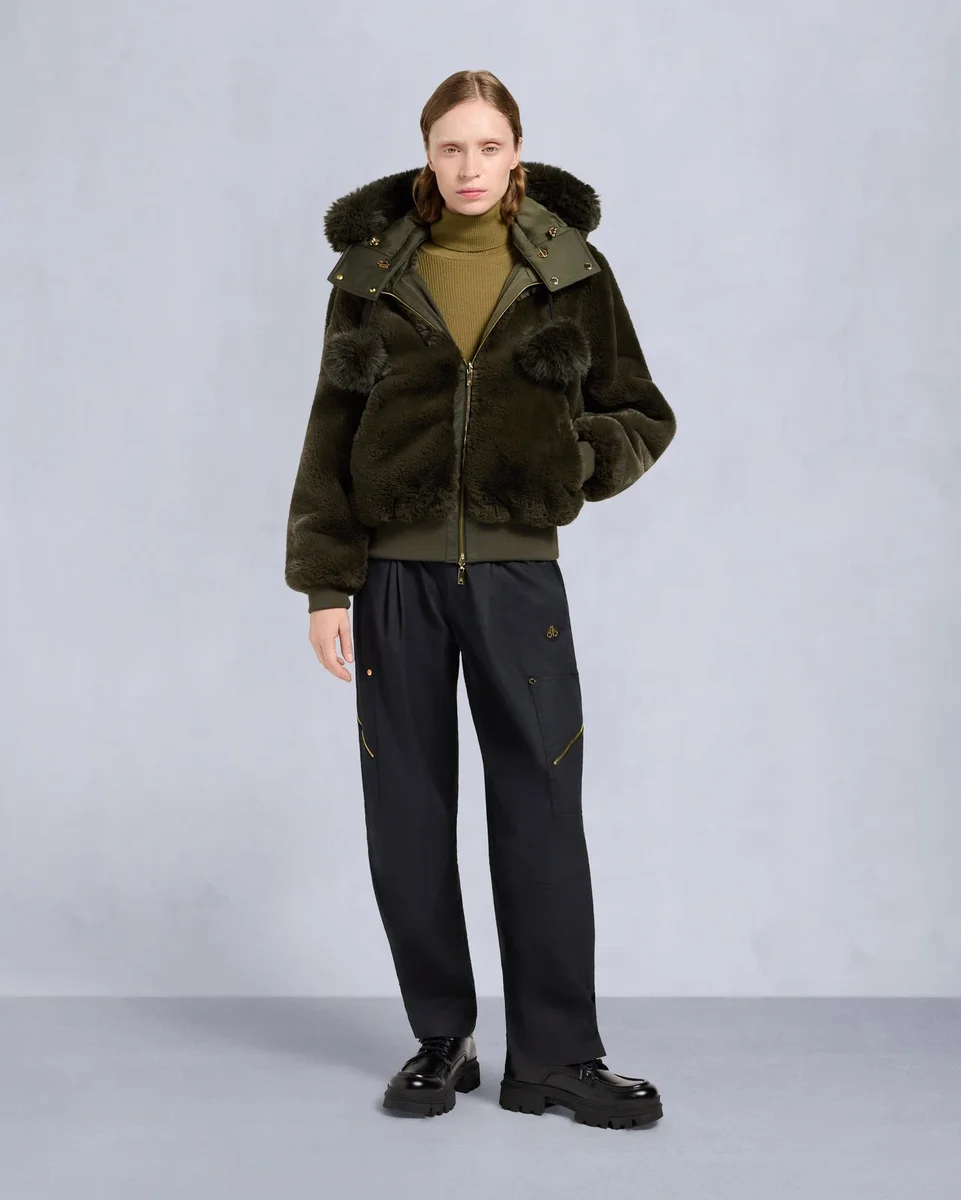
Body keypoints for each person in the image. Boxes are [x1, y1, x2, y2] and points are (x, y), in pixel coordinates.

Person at [285, 69, 677, 1130]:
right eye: (450, 147)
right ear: (428, 153)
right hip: (393, 581)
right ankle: (440, 1041)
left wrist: (570, 461)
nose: (469, 167)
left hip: (516, 580)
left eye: (488, 147)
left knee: (540, 811)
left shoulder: (567, 267)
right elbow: (329, 431)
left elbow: (640, 411)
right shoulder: (372, 273)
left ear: (517, 154)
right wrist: (326, 583)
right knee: (407, 812)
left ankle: (554, 1056)